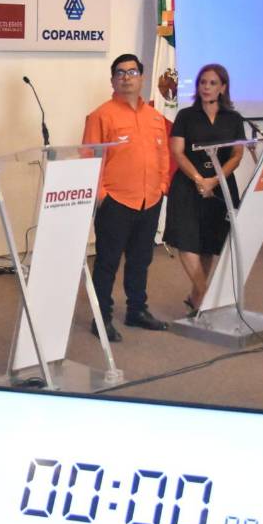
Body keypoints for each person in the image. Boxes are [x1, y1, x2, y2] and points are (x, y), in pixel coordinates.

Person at [82, 53, 170, 342]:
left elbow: (162, 154)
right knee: (107, 263)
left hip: (150, 199)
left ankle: (137, 310)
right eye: (120, 73)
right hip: (116, 202)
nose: (126, 77)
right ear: (113, 80)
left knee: (141, 259)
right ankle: (101, 318)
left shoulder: (155, 117)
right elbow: (89, 157)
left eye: (132, 72)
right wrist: (101, 195)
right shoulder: (101, 116)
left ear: (142, 78)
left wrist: (162, 185)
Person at [164, 64, 246, 315]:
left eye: (212, 83)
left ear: (223, 87)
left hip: (221, 186)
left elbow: (237, 154)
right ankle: (205, 295)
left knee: (209, 243)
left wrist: (215, 181)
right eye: (202, 82)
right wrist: (200, 179)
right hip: (188, 185)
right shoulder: (186, 116)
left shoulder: (233, 118)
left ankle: (196, 296)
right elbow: (177, 152)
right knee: (186, 240)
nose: (206, 87)